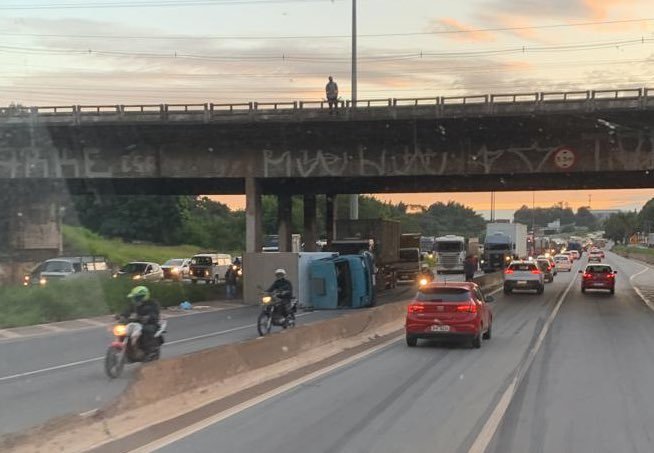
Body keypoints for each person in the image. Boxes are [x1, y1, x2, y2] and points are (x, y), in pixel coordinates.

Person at [122, 286, 161, 360]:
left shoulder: (152, 303)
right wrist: (120, 316)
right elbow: (126, 311)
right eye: (134, 298)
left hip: (150, 323)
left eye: (137, 298)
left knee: (146, 330)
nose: (135, 299)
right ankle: (129, 349)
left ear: (143, 296)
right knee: (123, 330)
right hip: (135, 324)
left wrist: (148, 317)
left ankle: (150, 351)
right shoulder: (133, 305)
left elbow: (155, 313)